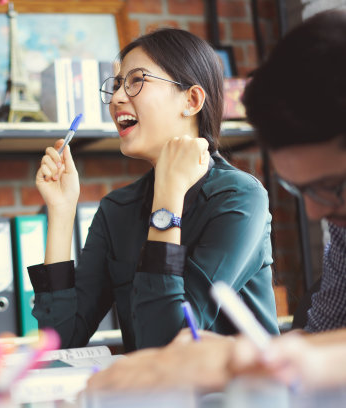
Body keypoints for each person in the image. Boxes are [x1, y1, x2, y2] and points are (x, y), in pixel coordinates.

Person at [87, 9, 346, 392]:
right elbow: (328, 330)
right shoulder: (342, 231)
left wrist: (242, 360)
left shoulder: (237, 195)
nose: (315, 211)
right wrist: (240, 358)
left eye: (332, 186)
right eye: (299, 190)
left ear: (192, 100)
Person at [28, 27, 279, 353]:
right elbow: (60, 342)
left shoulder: (240, 198)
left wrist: (168, 198)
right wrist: (61, 212)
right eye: (117, 84)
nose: (117, 97)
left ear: (191, 100)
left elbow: (168, 341)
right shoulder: (117, 208)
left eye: (136, 81)